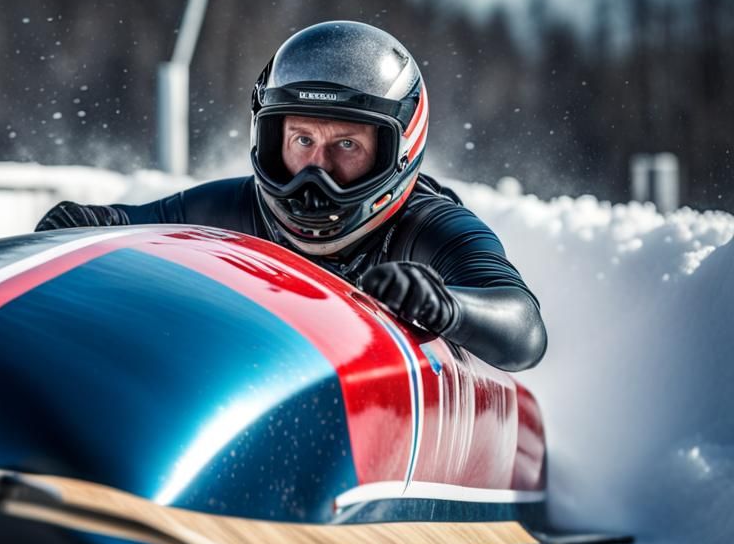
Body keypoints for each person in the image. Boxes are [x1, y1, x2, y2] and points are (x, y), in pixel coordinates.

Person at [36, 21, 546, 372]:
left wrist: (445, 306)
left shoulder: (432, 229)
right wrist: (83, 225)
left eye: (346, 144)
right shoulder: (234, 209)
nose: (314, 174)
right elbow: (128, 224)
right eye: (302, 140)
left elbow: (524, 331)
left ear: (399, 149)